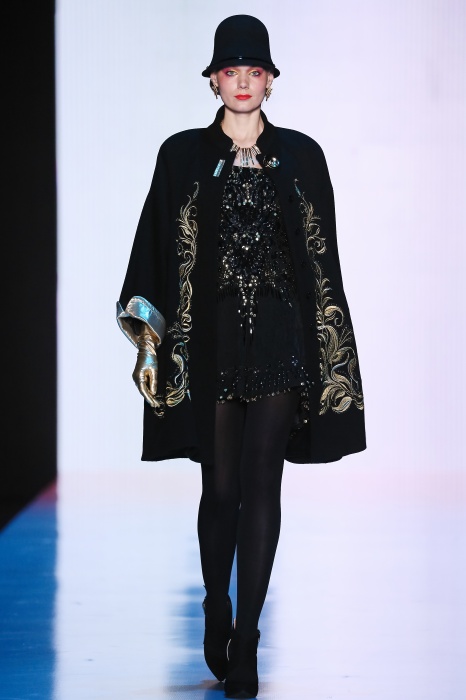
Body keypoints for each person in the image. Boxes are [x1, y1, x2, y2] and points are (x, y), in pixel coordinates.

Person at [116, 14, 366, 699]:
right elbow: (153, 249)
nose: (244, 82)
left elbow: (321, 264)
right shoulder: (181, 156)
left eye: (255, 71)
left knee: (262, 485)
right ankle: (215, 603)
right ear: (214, 79)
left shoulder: (304, 157)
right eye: (232, 70)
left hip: (281, 341)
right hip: (211, 343)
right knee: (220, 489)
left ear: (271, 80)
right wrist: (150, 342)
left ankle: (249, 638)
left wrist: (325, 351)